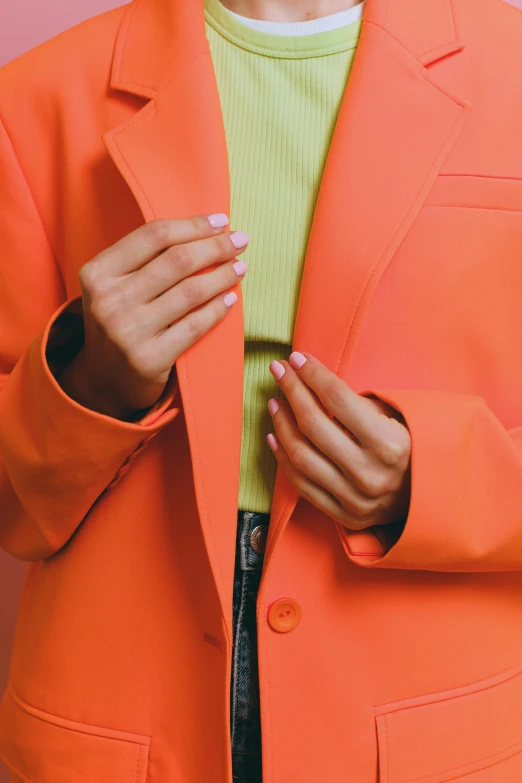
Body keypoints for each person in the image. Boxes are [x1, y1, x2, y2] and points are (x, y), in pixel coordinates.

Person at [1, 0, 522, 780]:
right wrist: (91, 379)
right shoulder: (33, 99)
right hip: (120, 719)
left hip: (424, 719)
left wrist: (436, 481)